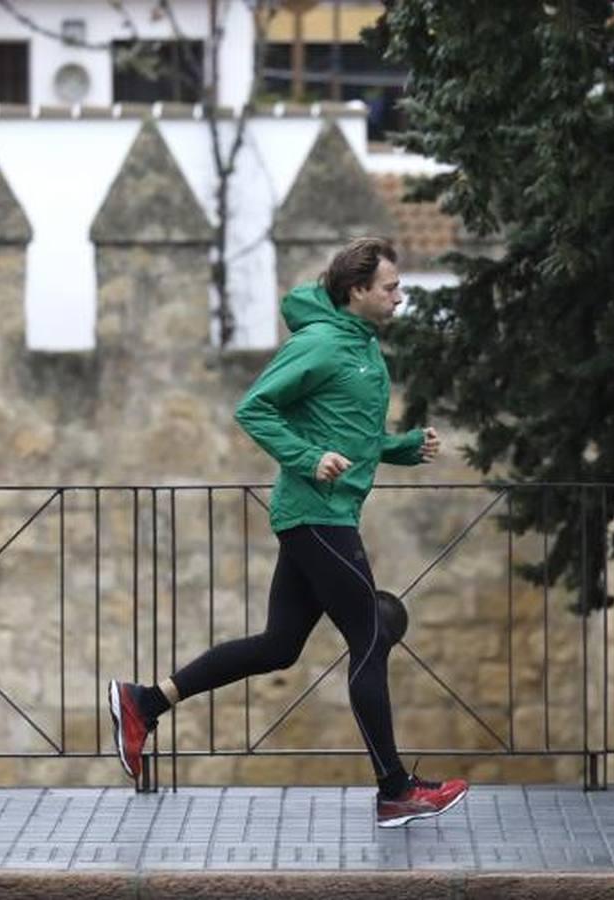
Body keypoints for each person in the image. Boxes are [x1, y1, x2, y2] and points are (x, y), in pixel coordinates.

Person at [108, 237, 468, 828]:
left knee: (279, 645)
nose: (400, 296)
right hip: (316, 513)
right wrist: (306, 458)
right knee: (371, 638)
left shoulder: (361, 347)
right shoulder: (322, 343)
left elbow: (350, 434)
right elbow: (254, 407)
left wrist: (403, 447)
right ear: (356, 292)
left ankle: (143, 702)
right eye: (391, 288)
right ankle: (395, 789)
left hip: (325, 512)